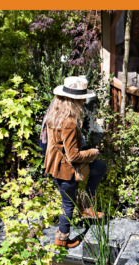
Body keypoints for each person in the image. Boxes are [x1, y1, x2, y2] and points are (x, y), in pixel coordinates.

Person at [44, 76, 108, 249]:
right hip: (66, 169)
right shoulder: (69, 122)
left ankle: (86, 204)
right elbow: (73, 156)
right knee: (68, 205)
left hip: (56, 165)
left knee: (100, 167)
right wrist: (92, 152)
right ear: (76, 100)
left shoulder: (54, 114)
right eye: (82, 99)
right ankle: (62, 239)